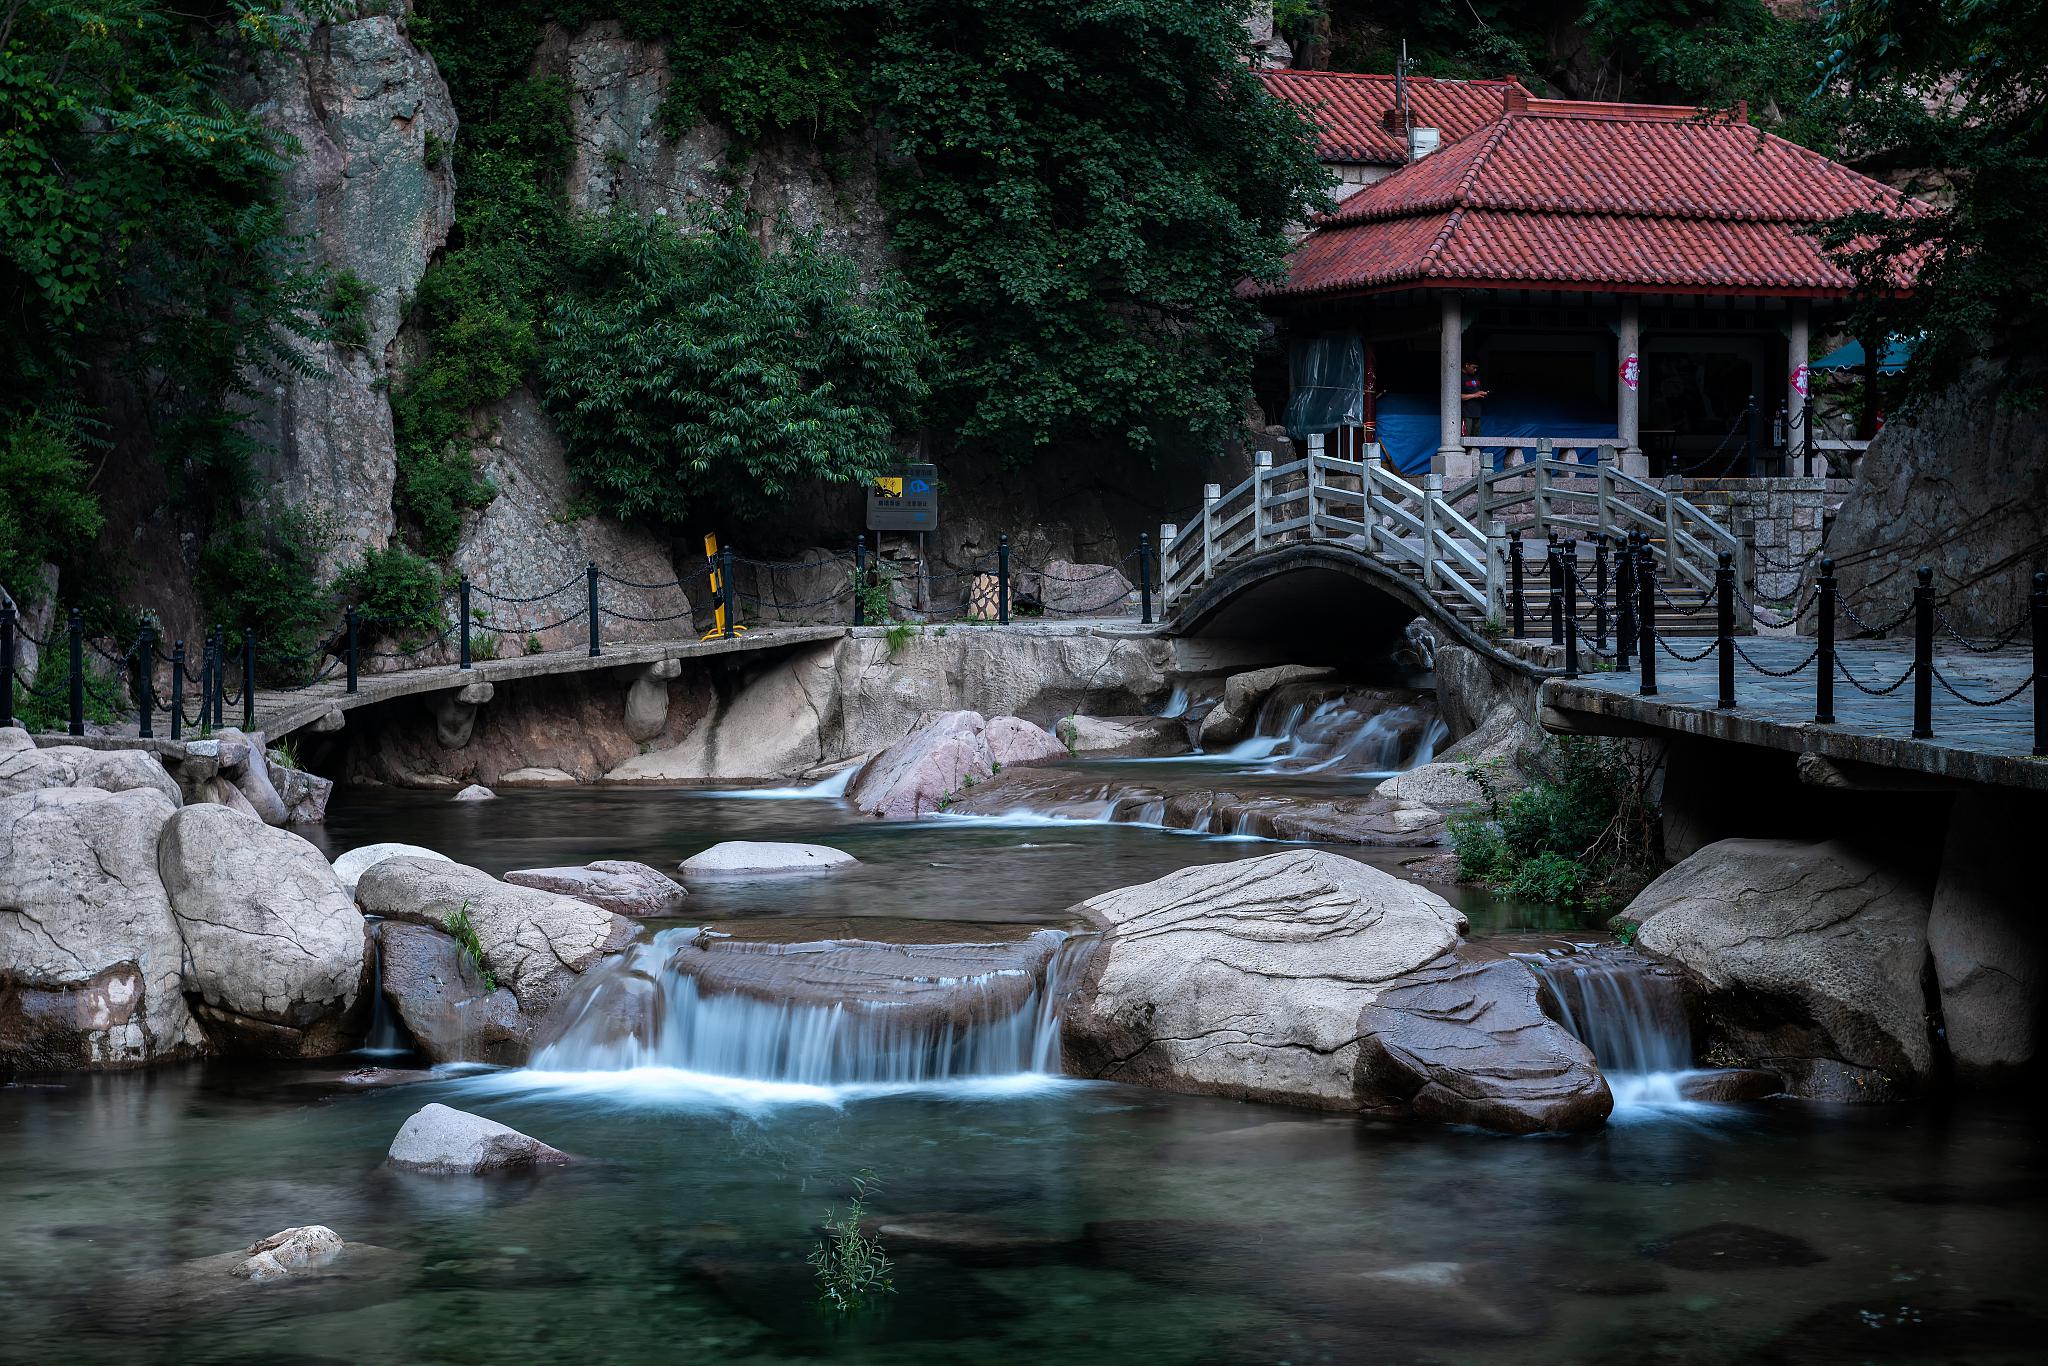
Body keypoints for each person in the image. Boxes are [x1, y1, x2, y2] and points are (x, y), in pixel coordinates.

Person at [1460, 360, 1488, 437]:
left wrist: (1483, 393)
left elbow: (1478, 391)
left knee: (1476, 440)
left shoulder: (1476, 377)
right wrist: (1474, 395)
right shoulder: (1459, 377)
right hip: (1465, 414)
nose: (1475, 370)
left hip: (1477, 413)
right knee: (1465, 438)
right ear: (1466, 365)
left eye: (1477, 368)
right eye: (1473, 367)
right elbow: (1456, 396)